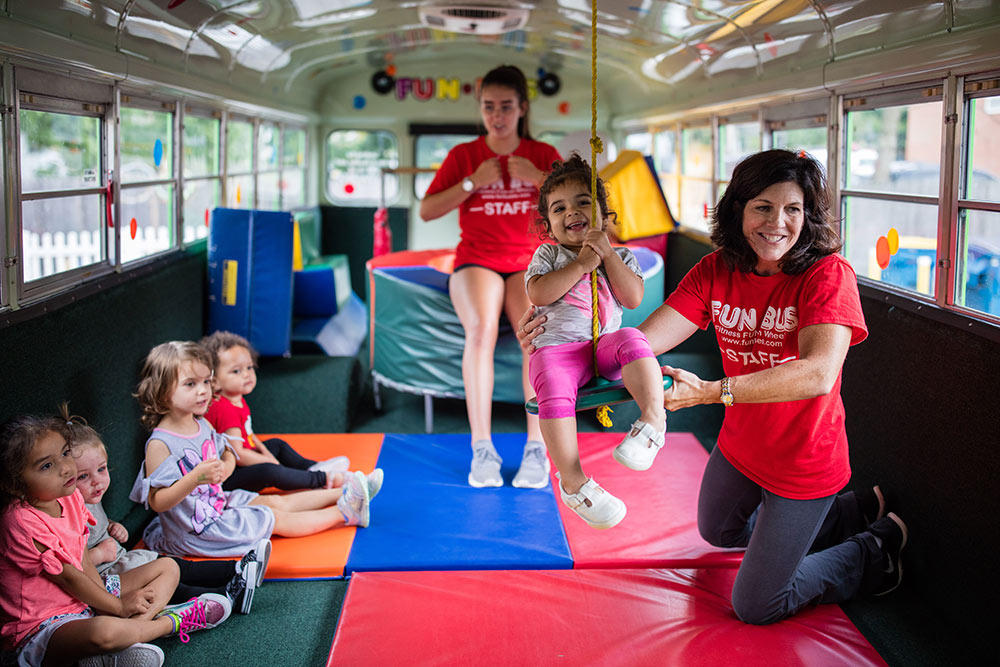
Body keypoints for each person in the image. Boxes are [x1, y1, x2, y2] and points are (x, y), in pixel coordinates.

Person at [517, 149, 907, 623]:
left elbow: (817, 373)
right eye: (762, 207)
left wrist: (710, 391)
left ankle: (871, 549)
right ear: (738, 209)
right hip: (742, 446)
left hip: (804, 459)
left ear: (809, 216)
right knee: (718, 532)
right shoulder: (718, 268)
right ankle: (846, 515)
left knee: (758, 605)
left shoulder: (828, 274)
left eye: (793, 210)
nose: (777, 223)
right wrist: (559, 341)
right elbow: (644, 340)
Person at [419, 64, 562, 489]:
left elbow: (579, 205)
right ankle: (482, 448)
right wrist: (471, 183)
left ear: (521, 108)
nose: (496, 116)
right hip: (477, 259)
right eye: (488, 107)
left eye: (505, 106)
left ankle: (537, 448)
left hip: (529, 260)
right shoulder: (465, 155)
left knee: (533, 334)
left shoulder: (541, 153)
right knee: (480, 328)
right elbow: (427, 211)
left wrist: (537, 179)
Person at [0, 415, 225, 667]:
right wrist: (117, 607)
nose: (65, 467)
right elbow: (68, 577)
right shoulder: (20, 521)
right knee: (104, 632)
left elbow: (82, 559)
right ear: (13, 484)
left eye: (64, 454)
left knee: (168, 567)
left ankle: (127, 636)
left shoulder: (69, 496)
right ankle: (167, 624)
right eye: (46, 466)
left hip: (85, 602)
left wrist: (104, 602)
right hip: (43, 626)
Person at [130, 341, 376, 561]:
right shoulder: (160, 444)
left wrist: (224, 466)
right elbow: (157, 502)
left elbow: (226, 451)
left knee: (272, 502)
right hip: (197, 530)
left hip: (217, 504)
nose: (204, 390)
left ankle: (347, 490)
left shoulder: (200, 422)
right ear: (163, 391)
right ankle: (346, 512)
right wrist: (195, 479)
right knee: (275, 518)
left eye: (206, 381)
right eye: (190, 384)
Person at [526, 155, 666, 530]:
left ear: (604, 214)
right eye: (559, 209)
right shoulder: (550, 254)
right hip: (557, 352)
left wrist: (605, 256)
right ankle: (573, 482)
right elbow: (539, 293)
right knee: (551, 389)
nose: (572, 211)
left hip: (603, 348)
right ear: (550, 225)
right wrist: (580, 265)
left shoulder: (619, 255)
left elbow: (633, 297)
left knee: (633, 338)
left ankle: (653, 421)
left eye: (583, 202)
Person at [62, 404, 261, 615]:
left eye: (101, 469)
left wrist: (112, 526)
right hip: (105, 580)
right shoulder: (66, 513)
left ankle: (237, 569)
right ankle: (227, 595)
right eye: (83, 476)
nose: (97, 481)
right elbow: (67, 566)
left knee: (175, 566)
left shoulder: (90, 497)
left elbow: (97, 525)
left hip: (122, 561)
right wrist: (99, 553)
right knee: (171, 583)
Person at [200, 331, 359, 493]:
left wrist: (266, 452)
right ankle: (321, 479)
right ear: (214, 381)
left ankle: (312, 467)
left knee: (276, 445)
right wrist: (269, 461)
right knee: (270, 471)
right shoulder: (224, 409)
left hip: (243, 459)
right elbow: (238, 454)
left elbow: (248, 434)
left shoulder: (237, 399)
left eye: (249, 367)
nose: (247, 374)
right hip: (229, 475)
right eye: (236, 371)